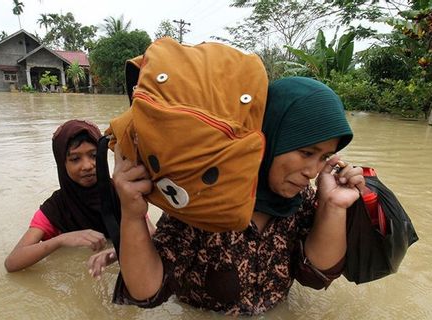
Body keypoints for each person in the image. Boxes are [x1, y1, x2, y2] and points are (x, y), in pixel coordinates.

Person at [109, 77, 366, 316]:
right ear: (270, 137)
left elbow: (316, 275)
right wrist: (132, 214)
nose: (312, 171)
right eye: (306, 152)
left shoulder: (302, 200)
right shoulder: (204, 196)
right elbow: (146, 292)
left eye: (323, 157)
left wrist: (333, 205)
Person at [5, 119, 154, 273]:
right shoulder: (55, 208)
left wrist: (116, 253)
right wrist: (62, 240)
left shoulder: (121, 191)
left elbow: (151, 235)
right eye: (75, 159)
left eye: (94, 155)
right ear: (62, 164)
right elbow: (12, 263)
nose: (88, 165)